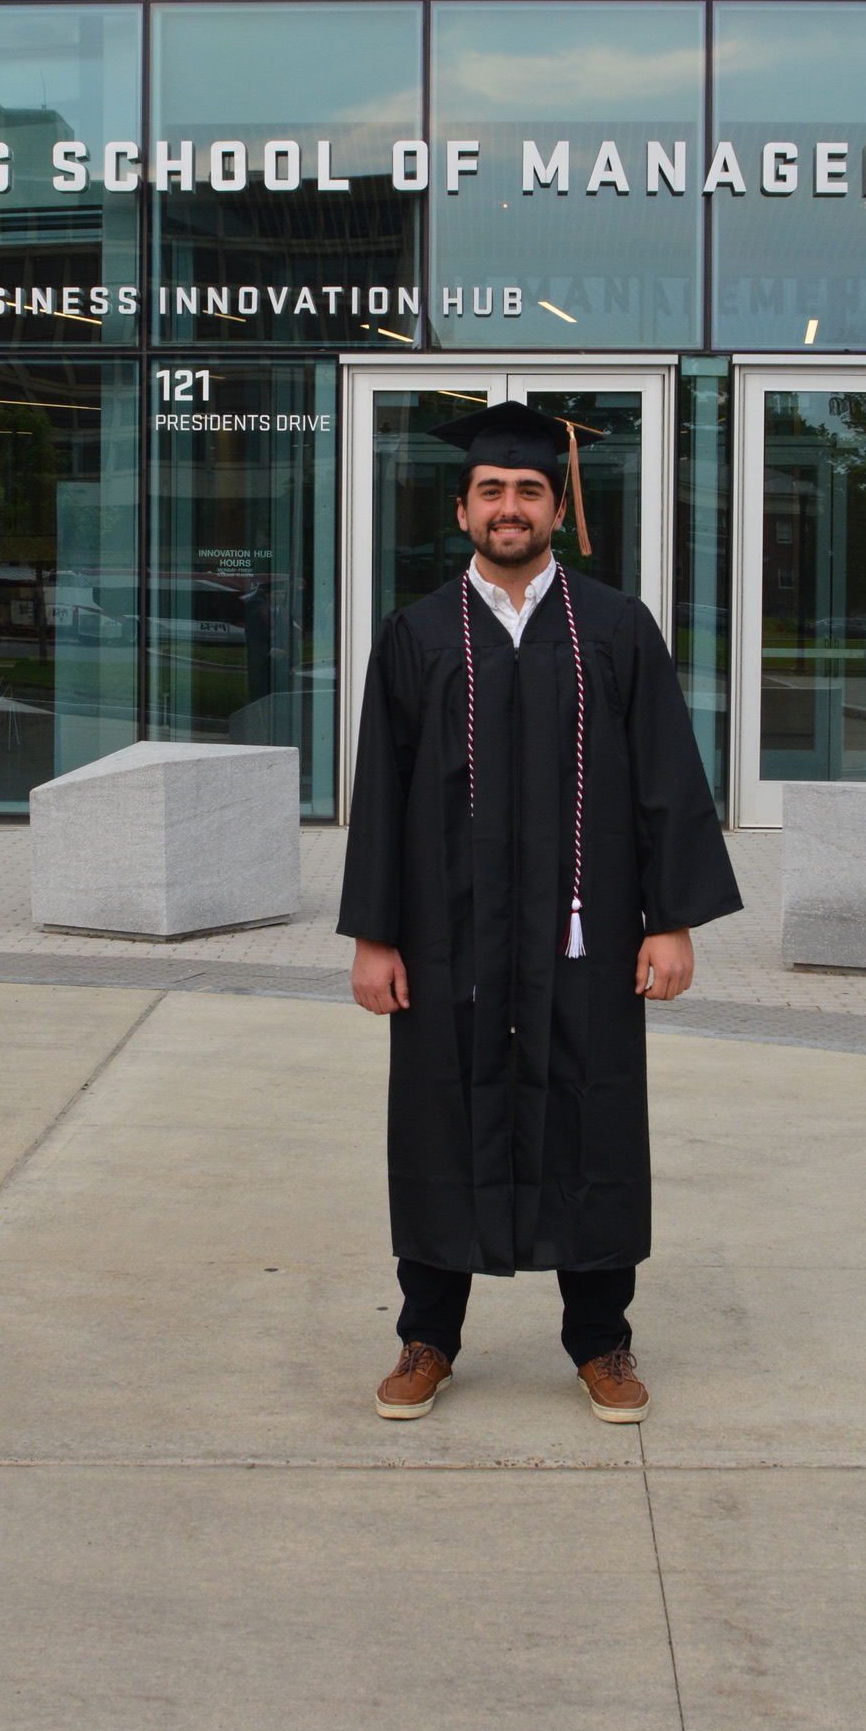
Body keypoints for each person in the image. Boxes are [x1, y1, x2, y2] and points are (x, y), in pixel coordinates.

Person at [338, 401, 742, 1424]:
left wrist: (671, 917)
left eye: (527, 490)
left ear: (558, 507)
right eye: (491, 491)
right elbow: (379, 797)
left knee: (591, 1112)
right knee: (438, 1114)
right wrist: (374, 936)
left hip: (585, 933)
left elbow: (663, 779)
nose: (508, 507)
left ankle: (601, 1340)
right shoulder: (418, 633)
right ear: (460, 507)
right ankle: (426, 1335)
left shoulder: (613, 628)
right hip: (446, 938)